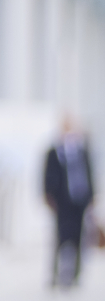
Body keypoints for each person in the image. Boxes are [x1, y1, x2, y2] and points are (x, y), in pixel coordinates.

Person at [44, 117, 94, 289]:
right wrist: (48, 196)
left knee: (79, 238)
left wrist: (92, 197)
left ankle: (76, 275)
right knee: (59, 238)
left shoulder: (82, 151)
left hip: (79, 200)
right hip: (62, 202)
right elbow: (47, 176)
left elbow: (89, 174)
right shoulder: (55, 151)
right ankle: (55, 274)